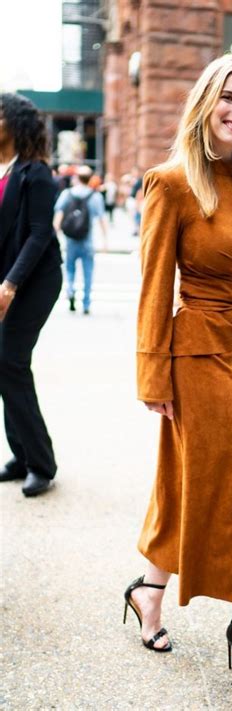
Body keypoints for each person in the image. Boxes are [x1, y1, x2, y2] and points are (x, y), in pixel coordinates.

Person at [123, 55, 232, 683]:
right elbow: (152, 287)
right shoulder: (172, 182)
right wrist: (153, 378)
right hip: (195, 355)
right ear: (205, 102)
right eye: (229, 98)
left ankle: (149, 589)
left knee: (185, 479)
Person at [0, 93, 62, 497]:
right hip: (7, 280)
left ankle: (41, 463)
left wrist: (10, 285)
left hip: (33, 282)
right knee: (3, 365)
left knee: (11, 362)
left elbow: (40, 234)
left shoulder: (35, 173)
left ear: (15, 124)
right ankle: (21, 456)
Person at [54, 165, 108, 314]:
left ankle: (70, 291)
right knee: (88, 273)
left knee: (70, 269)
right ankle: (85, 304)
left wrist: (54, 235)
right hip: (87, 240)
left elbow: (58, 215)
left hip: (70, 240)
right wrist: (105, 240)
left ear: (77, 178)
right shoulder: (95, 196)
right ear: (90, 179)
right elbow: (102, 219)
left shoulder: (67, 194)